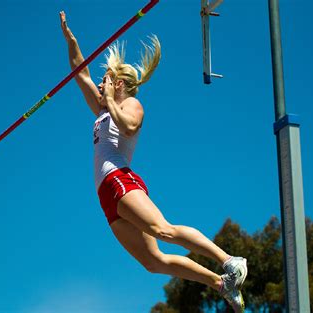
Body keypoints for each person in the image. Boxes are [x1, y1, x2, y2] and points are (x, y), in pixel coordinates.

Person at [59, 10, 248, 312]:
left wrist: (108, 100)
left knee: (163, 229)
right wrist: (70, 37)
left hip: (120, 180)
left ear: (119, 84)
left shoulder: (132, 104)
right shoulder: (102, 108)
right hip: (106, 196)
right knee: (153, 262)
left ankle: (229, 260)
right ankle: (219, 283)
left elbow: (129, 127)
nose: (100, 83)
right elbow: (78, 70)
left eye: (106, 80)